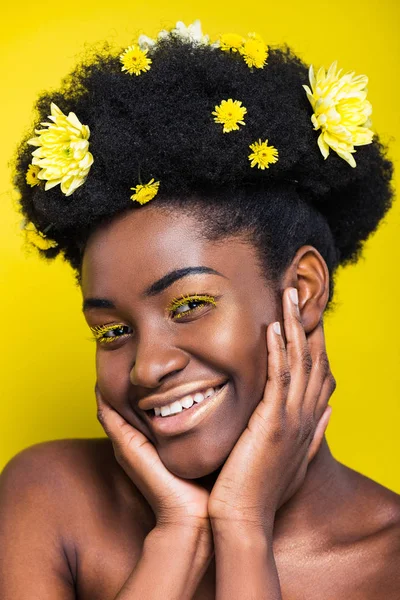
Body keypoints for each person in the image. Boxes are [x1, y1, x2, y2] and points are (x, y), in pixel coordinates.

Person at [0, 20, 399, 599]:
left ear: (303, 290)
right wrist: (179, 535)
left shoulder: (388, 563)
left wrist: (243, 526)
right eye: (111, 330)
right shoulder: (49, 499)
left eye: (188, 304)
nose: (145, 369)